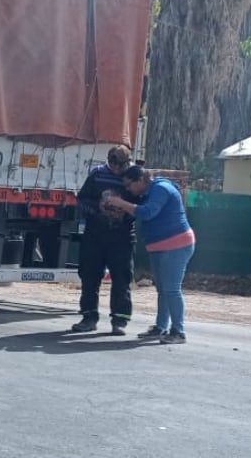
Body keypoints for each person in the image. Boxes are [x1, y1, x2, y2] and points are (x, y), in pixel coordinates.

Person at [104, 166, 194, 344]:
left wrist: (121, 203)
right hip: (160, 246)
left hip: (175, 245)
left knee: (172, 289)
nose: (128, 189)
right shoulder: (148, 192)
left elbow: (148, 213)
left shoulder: (160, 189)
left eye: (129, 185)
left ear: (140, 180)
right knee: (163, 290)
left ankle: (178, 331)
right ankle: (161, 327)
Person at [71, 145, 136, 335]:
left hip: (122, 235)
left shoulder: (133, 176)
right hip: (96, 234)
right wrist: (98, 209)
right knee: (90, 276)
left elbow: (140, 203)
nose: (117, 169)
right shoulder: (97, 175)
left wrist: (124, 213)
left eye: (121, 165)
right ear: (108, 161)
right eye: (113, 164)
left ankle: (120, 320)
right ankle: (89, 317)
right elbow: (82, 200)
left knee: (122, 278)